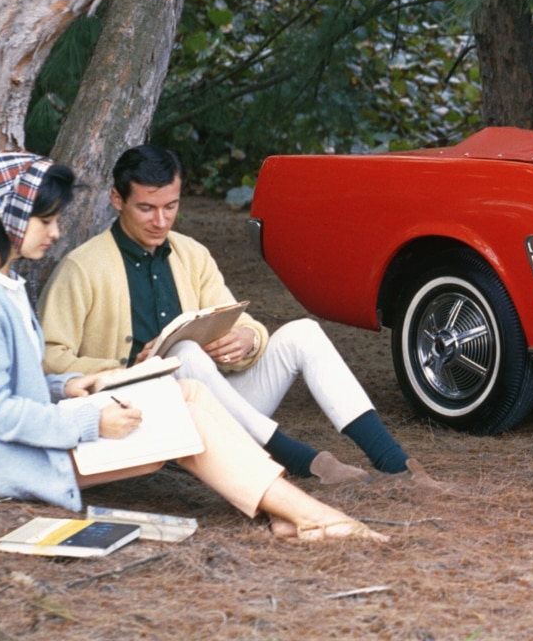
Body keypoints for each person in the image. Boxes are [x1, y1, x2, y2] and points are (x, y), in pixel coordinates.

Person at [0, 153, 386, 543]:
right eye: (46, 221)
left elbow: (21, 385)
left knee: (189, 397)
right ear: (10, 219)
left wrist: (69, 384)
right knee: (183, 407)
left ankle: (293, 513)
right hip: (13, 456)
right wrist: (91, 416)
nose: (57, 232)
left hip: (44, 433)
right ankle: (308, 513)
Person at [38, 145, 426, 485]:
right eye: (146, 208)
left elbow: (239, 320)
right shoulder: (82, 267)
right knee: (186, 355)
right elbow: (50, 360)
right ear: (117, 200)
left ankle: (394, 463)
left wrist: (248, 340)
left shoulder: (192, 254)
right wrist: (125, 367)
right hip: (141, 417)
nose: (161, 221)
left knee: (303, 332)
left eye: (171, 206)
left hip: (221, 411)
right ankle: (299, 459)